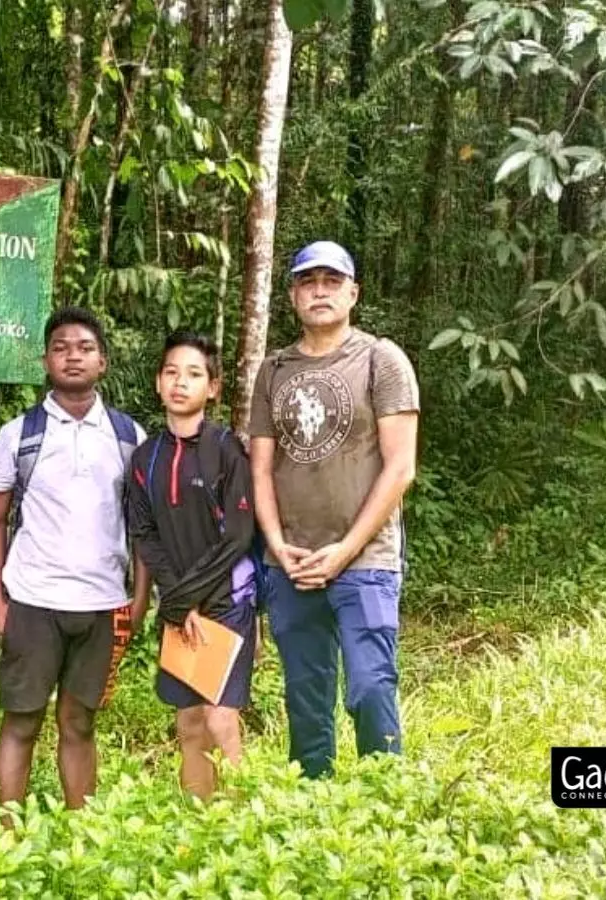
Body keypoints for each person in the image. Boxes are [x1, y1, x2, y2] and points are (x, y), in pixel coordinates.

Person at [248, 240, 419, 779]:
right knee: (305, 694)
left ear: (352, 292)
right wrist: (276, 545)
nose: (319, 290)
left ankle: (383, 800)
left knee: (370, 687)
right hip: (292, 563)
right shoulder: (274, 370)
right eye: (307, 281)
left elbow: (400, 468)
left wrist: (345, 551)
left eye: (330, 280)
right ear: (294, 295)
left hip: (365, 561)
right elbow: (260, 469)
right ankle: (313, 806)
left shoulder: (380, 359)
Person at [0, 307, 150, 811]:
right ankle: (6, 836)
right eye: (60, 347)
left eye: (84, 348)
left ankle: (82, 835)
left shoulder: (129, 437)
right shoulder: (19, 435)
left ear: (103, 362)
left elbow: (142, 527)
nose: (72, 356)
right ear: (45, 361)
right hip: (33, 601)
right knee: (21, 721)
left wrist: (137, 601)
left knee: (80, 723)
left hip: (101, 605)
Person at [127, 332, 258, 798]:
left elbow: (239, 535)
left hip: (228, 603)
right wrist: (179, 603)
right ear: (159, 383)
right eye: (171, 373)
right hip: (181, 608)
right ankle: (200, 826)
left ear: (214, 388)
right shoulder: (146, 458)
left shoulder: (227, 450)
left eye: (194, 374)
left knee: (220, 719)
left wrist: (185, 600)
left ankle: (249, 821)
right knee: (188, 724)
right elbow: (145, 535)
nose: (181, 382)